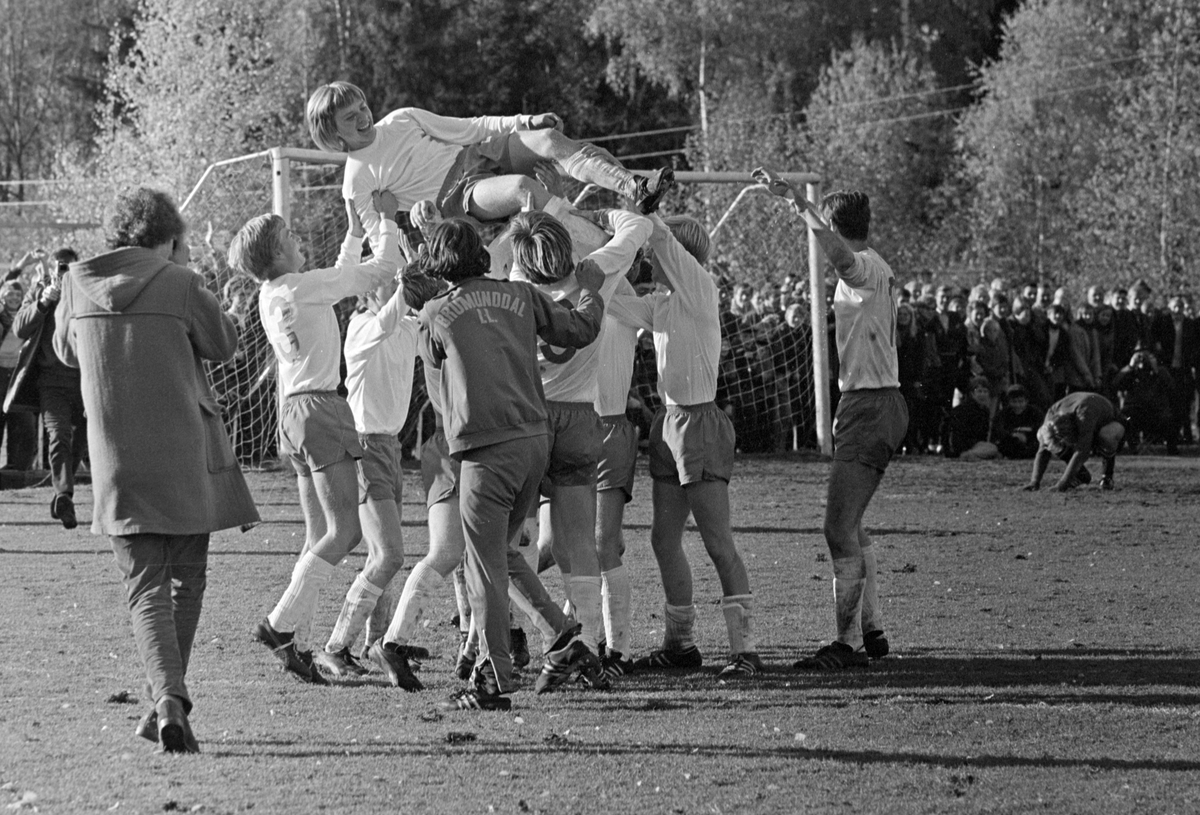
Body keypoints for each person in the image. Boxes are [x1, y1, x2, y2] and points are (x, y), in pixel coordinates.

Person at [52, 187, 259, 753]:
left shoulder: (76, 283)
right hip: (185, 456)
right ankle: (168, 703)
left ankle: (167, 704)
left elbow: (67, 354)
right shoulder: (181, 282)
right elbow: (226, 346)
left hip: (116, 459)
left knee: (144, 586)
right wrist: (196, 283)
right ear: (170, 235)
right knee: (186, 581)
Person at [417, 218, 607, 711]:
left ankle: (494, 677)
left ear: (439, 262)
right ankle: (564, 637)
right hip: (534, 442)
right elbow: (581, 329)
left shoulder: (436, 312)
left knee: (483, 567)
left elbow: (437, 390)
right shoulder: (521, 296)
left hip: (485, 448)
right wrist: (588, 291)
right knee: (501, 555)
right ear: (481, 253)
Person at [228, 193, 401, 685]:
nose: (299, 241)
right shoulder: (304, 286)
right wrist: (383, 220)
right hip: (322, 409)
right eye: (290, 238)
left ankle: (295, 642)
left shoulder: (273, 292)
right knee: (345, 533)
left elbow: (340, 278)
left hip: (292, 412)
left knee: (316, 536)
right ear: (278, 255)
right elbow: (371, 272)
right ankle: (280, 626)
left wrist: (351, 232)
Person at [755, 167, 907, 671]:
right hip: (873, 403)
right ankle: (872, 626)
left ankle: (847, 646)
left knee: (837, 528)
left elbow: (840, 258)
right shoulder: (879, 264)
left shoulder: (860, 265)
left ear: (838, 228)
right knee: (853, 524)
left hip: (870, 405)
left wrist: (800, 203)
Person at [604, 211, 762, 678]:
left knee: (718, 542)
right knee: (662, 537)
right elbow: (614, 303)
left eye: (654, 254)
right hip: (668, 421)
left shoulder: (698, 287)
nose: (649, 259)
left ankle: (746, 651)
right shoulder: (665, 302)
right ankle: (681, 646)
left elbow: (662, 239)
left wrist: (639, 208)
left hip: (699, 424)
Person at [505, 206, 652, 687]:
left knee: (515, 541)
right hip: (581, 420)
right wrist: (608, 211)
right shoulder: (598, 276)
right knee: (577, 542)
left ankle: (508, 638)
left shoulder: (515, 288)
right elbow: (639, 229)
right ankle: (583, 642)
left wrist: (534, 204)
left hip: (530, 419)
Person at [305, 81, 673, 243]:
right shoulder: (356, 178)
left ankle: (634, 187)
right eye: (349, 117)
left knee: (550, 138)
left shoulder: (401, 118)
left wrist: (525, 122)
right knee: (521, 191)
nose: (362, 116)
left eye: (361, 106)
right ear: (334, 134)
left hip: (474, 157)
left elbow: (469, 128)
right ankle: (601, 234)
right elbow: (378, 240)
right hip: (457, 196)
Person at [309, 196, 423, 678]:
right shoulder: (361, 327)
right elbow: (399, 304)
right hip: (363, 447)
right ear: (367, 293)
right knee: (390, 553)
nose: (393, 283)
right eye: (385, 281)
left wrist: (411, 238)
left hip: (389, 448)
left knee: (386, 555)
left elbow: (420, 295)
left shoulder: (404, 324)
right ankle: (336, 646)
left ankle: (377, 642)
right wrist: (391, 224)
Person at [13, 248, 86, 528]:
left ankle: (61, 492)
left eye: (70, 268)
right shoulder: (42, 290)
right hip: (51, 381)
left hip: (84, 379)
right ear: (54, 269)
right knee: (58, 435)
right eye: (61, 267)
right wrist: (43, 303)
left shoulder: (86, 291)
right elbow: (20, 328)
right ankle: (64, 495)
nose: (65, 273)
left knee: (81, 436)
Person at [1023, 391, 1125, 492]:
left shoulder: (1085, 415)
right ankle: (1081, 475)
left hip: (1113, 421)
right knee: (1046, 439)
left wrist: (1062, 484)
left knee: (1107, 436)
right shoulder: (1052, 413)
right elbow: (1043, 449)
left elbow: (1082, 452)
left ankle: (1107, 476)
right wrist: (1034, 482)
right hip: (1085, 416)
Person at [0, 279, 36, 471]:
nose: (14, 298)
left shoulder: (26, 316)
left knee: (22, 423)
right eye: (9, 293)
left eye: (17, 294)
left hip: (19, 374)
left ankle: (17, 469)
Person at [945, 376, 1000, 460]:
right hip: (963, 446)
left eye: (985, 391)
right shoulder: (964, 410)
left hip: (975, 444)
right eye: (979, 391)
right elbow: (959, 434)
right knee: (993, 449)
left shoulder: (984, 410)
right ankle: (968, 455)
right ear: (972, 394)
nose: (982, 394)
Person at [992, 384, 1044, 459]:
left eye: (1021, 401)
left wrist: (1026, 436)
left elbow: (1040, 429)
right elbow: (998, 431)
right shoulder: (1003, 414)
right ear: (1009, 402)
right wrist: (1014, 435)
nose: (1018, 405)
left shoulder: (1035, 412)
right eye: (1014, 402)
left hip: (1030, 442)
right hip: (1011, 442)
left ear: (1026, 401)